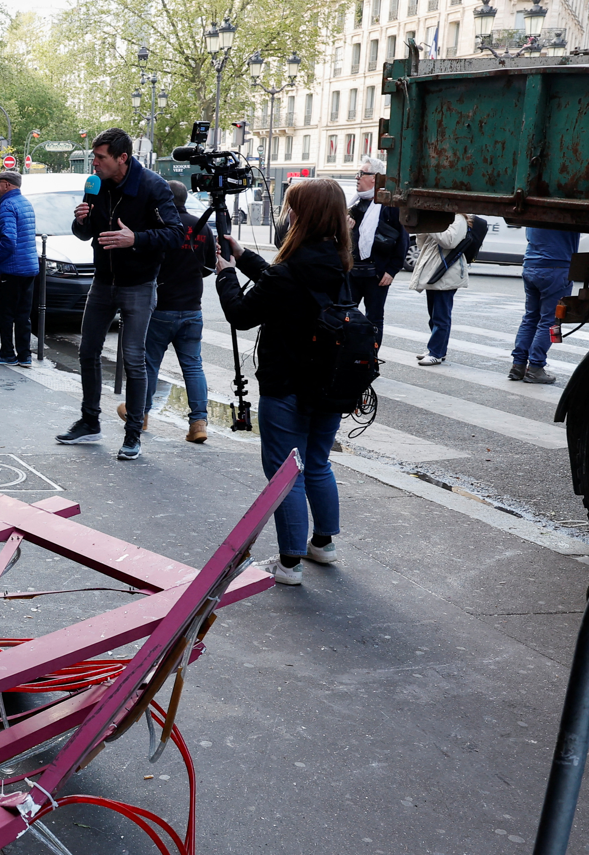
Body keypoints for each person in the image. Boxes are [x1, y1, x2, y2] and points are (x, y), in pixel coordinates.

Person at [212, 177, 353, 587]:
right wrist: (243, 256)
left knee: (285, 474)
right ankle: (323, 544)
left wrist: (225, 273)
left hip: (287, 386)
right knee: (318, 463)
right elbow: (283, 282)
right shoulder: (341, 264)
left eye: (291, 208)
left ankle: (289, 563)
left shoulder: (290, 272)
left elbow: (241, 313)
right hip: (329, 385)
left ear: (300, 216)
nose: (286, 214)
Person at [64, 127, 182, 460]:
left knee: (133, 360)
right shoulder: (97, 186)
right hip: (103, 281)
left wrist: (137, 239)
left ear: (122, 159)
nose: (94, 164)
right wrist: (80, 221)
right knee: (87, 351)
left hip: (138, 285)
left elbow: (174, 235)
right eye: (94, 157)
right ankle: (89, 421)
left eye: (100, 158)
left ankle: (133, 433)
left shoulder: (152, 187)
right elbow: (85, 234)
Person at [122, 180, 213, 444]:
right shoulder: (202, 226)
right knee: (193, 367)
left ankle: (141, 414)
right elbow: (208, 267)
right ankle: (198, 423)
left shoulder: (160, 227)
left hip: (161, 307)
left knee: (149, 363)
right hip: (192, 308)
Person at [350, 155, 408, 348]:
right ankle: (348, 357)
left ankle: (370, 360)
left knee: (374, 318)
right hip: (352, 271)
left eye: (361, 174)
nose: (357, 178)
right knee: (346, 315)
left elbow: (402, 239)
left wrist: (392, 270)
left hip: (377, 273)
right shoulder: (354, 205)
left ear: (374, 177)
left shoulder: (389, 205)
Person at [511, 226, 581, 385]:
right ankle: (535, 367)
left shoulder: (535, 210)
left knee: (530, 317)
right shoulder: (566, 212)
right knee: (550, 320)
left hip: (530, 265)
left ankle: (518, 365)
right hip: (556, 267)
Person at [0, 170, 37, 367]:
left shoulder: (7, 206)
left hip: (13, 268)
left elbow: (8, 240)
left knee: (5, 312)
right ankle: (25, 355)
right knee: (23, 313)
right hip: (29, 267)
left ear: (7, 185)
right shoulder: (26, 203)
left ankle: (7, 353)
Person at [408, 213, 472, 366]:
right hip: (434, 272)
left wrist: (430, 226)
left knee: (441, 316)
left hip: (447, 272)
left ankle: (436, 352)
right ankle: (436, 349)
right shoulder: (440, 219)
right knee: (433, 314)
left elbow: (449, 241)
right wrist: (423, 229)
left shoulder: (459, 219)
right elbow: (422, 245)